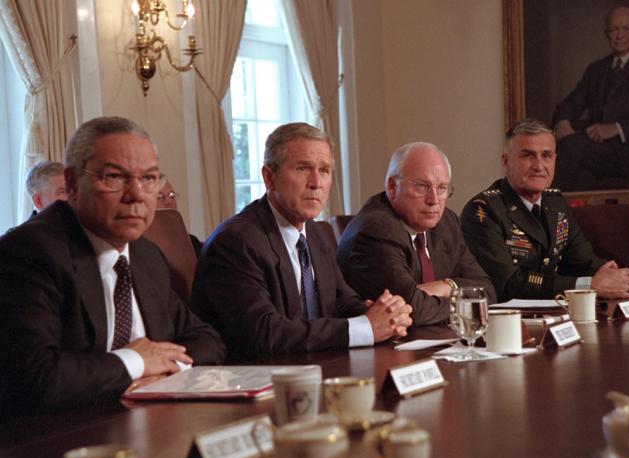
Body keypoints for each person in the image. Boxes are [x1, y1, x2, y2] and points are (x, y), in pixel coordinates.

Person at [0, 116, 226, 413]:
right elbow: (38, 377)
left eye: (148, 178)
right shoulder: (30, 252)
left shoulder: (146, 255)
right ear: (72, 184)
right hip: (61, 439)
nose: (136, 195)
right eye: (114, 177)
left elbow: (208, 340)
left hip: (150, 420)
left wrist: (161, 373)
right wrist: (135, 362)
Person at [191, 122, 412, 361]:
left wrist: (384, 315)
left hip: (316, 366)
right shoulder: (236, 241)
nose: (316, 182)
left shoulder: (315, 233)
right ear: (269, 178)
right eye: (303, 168)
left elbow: (342, 301)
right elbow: (264, 333)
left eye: (324, 170)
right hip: (257, 380)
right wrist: (365, 328)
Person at [461, 118, 629, 302]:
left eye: (546, 155)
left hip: (557, 316)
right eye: (528, 155)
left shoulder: (555, 204)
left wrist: (615, 278)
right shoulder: (484, 210)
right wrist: (588, 285)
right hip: (509, 321)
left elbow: (585, 263)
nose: (539, 166)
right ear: (505, 162)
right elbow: (509, 283)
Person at [337, 142, 496, 325]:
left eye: (442, 188)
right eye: (421, 186)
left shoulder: (446, 222)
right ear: (392, 187)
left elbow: (487, 290)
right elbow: (414, 310)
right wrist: (468, 302)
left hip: (434, 341)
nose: (433, 200)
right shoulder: (376, 230)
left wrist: (446, 286)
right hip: (387, 349)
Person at [552, 5, 629, 190]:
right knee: (578, 171)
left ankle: (551, 214)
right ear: (606, 33)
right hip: (598, 149)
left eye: (626, 28)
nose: (619, 35)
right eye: (613, 29)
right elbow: (573, 101)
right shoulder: (597, 70)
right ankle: (570, 215)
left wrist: (617, 129)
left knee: (570, 148)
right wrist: (563, 121)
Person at [156, 180, 203, 256]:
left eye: (172, 196)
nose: (169, 202)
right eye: (160, 197)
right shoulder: (140, 243)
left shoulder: (191, 242)